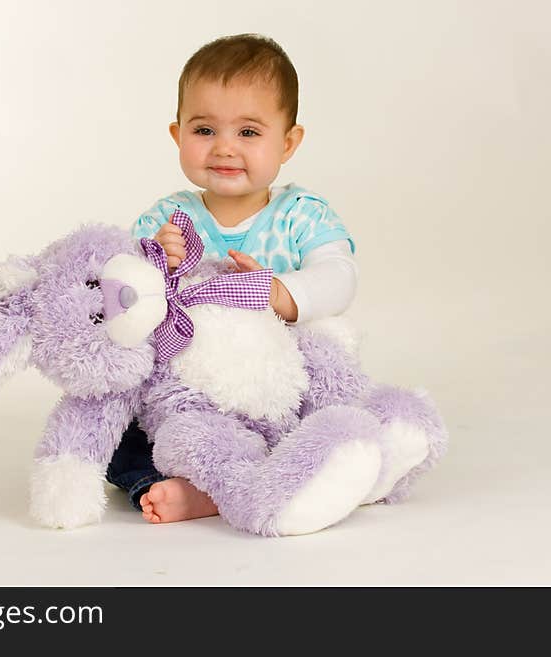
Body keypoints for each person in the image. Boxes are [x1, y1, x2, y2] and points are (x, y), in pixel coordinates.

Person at [106, 33, 358, 524]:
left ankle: (266, 477)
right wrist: (158, 261)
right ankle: (177, 485)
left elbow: (341, 275)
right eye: (204, 130)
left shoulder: (300, 215)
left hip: (274, 386)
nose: (224, 147)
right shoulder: (168, 217)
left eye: (248, 132)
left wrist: (282, 292)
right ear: (178, 136)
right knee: (120, 432)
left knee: (324, 414)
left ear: (287, 142)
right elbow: (124, 294)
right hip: (189, 387)